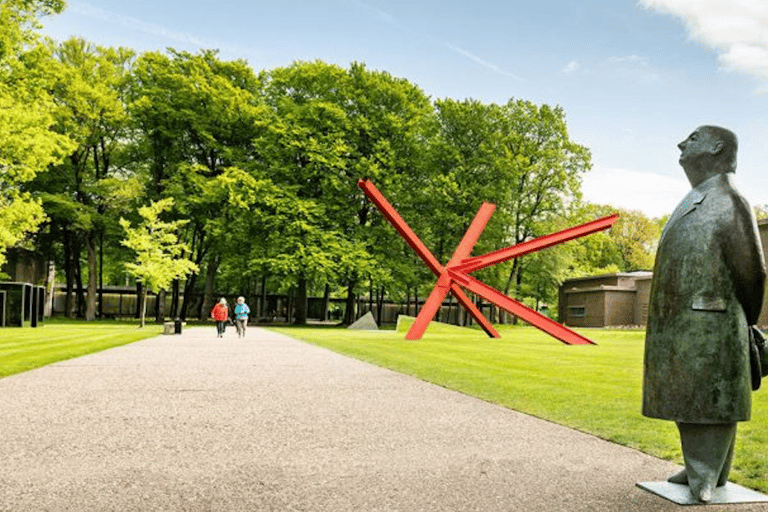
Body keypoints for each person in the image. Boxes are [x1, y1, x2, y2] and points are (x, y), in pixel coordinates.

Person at [642, 126, 766, 502]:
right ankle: (704, 467)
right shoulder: (697, 197)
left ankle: (706, 474)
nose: (682, 143)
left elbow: (753, 272)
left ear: (717, 147)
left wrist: (739, 319)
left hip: (711, 321)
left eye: (693, 138)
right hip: (684, 323)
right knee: (689, 395)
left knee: (708, 399)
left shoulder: (729, 199)